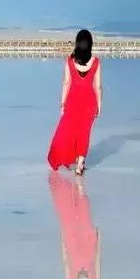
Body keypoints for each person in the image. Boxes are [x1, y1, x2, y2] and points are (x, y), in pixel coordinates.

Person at [48, 29, 102, 175]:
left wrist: (62, 102)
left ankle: (74, 159)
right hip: (90, 103)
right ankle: (80, 164)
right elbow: (97, 86)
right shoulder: (96, 62)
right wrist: (100, 105)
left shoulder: (70, 61)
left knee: (71, 132)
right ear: (90, 44)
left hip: (72, 102)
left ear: (77, 44)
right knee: (85, 133)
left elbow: (66, 83)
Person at [49, 170, 101, 279]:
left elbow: (65, 261)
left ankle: (74, 181)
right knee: (83, 206)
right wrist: (98, 237)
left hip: (72, 243)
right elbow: (97, 260)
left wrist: (63, 237)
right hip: (87, 244)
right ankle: (78, 180)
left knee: (76, 210)